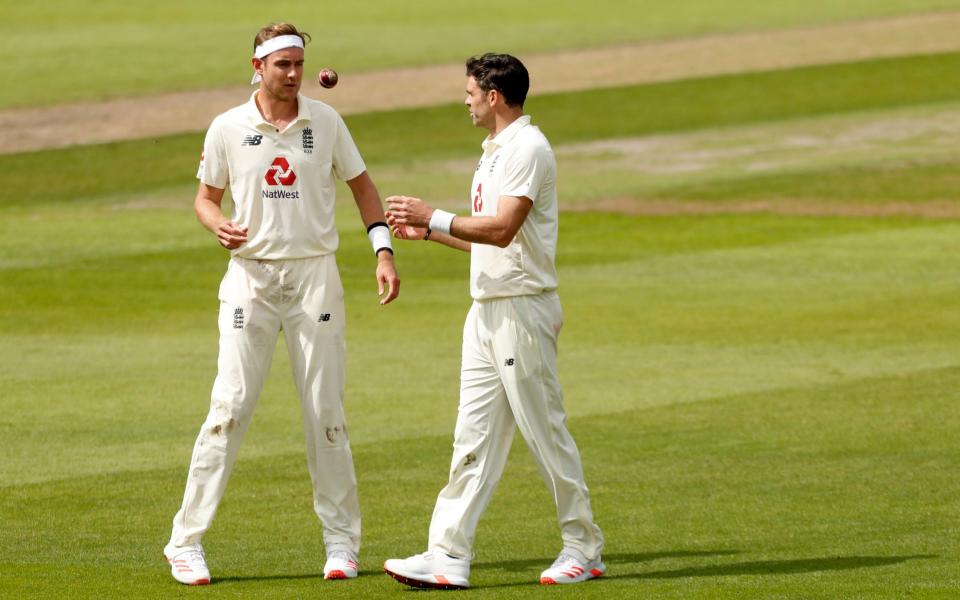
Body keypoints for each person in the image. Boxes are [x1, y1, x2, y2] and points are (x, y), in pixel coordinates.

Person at [162, 22, 399, 586]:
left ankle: (342, 544)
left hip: (316, 278)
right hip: (252, 280)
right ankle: (185, 543)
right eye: (282, 66)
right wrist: (217, 224)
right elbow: (205, 198)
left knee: (326, 412)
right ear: (257, 66)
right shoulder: (227, 127)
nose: (292, 75)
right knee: (230, 408)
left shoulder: (327, 121)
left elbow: (364, 188)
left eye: (298, 64)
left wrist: (383, 251)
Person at [382, 53, 604, 589]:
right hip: (485, 311)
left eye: (470, 92)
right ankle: (448, 555)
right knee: (472, 438)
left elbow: (504, 229)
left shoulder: (529, 148)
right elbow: (486, 238)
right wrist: (433, 233)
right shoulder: (493, 153)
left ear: (494, 96)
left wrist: (431, 214)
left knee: (544, 432)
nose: (466, 101)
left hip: (522, 311)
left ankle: (584, 546)